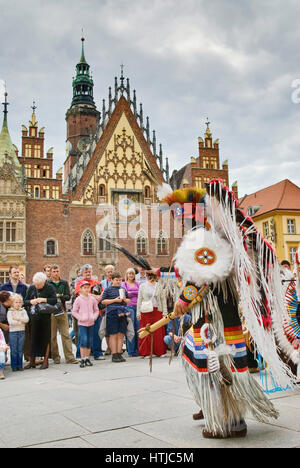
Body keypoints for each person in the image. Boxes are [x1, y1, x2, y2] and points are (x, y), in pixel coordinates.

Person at [24, 272, 57, 370]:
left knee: (45, 338)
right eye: (35, 284)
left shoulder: (49, 287)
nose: (37, 286)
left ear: (44, 282)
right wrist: (31, 301)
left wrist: (44, 299)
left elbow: (54, 300)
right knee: (33, 339)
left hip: (45, 317)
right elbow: (24, 302)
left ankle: (45, 361)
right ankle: (32, 361)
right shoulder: (31, 288)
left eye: (39, 285)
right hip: (33, 317)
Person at [49, 265, 78, 365]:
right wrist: (55, 296)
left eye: (57, 271)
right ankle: (56, 357)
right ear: (51, 273)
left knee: (65, 335)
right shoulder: (48, 283)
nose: (56, 273)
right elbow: (48, 297)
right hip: (51, 311)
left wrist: (59, 295)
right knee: (52, 336)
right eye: (54, 271)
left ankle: (70, 357)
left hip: (62, 311)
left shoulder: (64, 283)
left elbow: (67, 296)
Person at [75, 264, 104, 361]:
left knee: (96, 334)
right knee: (82, 336)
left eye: (89, 271)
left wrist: (100, 297)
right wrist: (94, 296)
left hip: (95, 313)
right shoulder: (80, 282)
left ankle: (98, 353)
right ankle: (80, 355)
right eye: (86, 272)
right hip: (83, 315)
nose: (88, 273)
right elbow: (79, 293)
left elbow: (103, 293)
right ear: (82, 273)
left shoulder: (97, 282)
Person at [101, 271, 131, 363]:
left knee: (121, 333)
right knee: (113, 334)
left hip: (122, 312)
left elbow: (128, 300)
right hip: (112, 312)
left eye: (119, 280)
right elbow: (103, 301)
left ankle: (119, 353)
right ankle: (114, 354)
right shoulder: (108, 289)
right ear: (112, 280)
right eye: (116, 280)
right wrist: (114, 300)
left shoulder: (123, 289)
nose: (118, 282)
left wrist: (125, 300)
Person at [137, 272, 167, 358]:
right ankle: (146, 352)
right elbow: (139, 299)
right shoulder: (142, 286)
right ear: (146, 276)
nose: (150, 277)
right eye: (148, 275)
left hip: (157, 310)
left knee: (158, 331)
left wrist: (164, 313)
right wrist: (138, 312)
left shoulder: (159, 285)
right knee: (146, 330)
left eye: (151, 276)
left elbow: (163, 299)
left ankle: (159, 351)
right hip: (146, 311)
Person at [72, 281, 99, 368]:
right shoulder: (78, 299)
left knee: (89, 340)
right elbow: (74, 311)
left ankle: (87, 357)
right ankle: (82, 358)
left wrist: (94, 317)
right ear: (81, 289)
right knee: (83, 340)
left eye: (88, 287)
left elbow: (96, 310)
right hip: (82, 324)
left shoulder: (92, 299)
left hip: (91, 323)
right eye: (84, 288)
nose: (86, 289)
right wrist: (80, 318)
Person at [7, 294, 29, 371]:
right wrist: (21, 321)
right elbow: (11, 322)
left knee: (20, 349)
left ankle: (20, 365)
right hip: (13, 332)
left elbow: (26, 320)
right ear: (12, 303)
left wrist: (18, 318)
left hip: (22, 332)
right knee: (14, 350)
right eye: (16, 302)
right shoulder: (10, 312)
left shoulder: (23, 310)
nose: (18, 304)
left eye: (20, 302)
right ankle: (14, 366)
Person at [121, 268, 140, 357]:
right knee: (130, 329)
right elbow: (124, 295)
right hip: (129, 308)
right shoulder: (123, 284)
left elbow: (139, 294)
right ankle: (131, 350)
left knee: (138, 329)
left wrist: (130, 292)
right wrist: (134, 293)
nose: (131, 275)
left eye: (132, 274)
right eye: (129, 274)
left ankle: (138, 349)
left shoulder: (137, 284)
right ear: (127, 275)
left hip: (138, 307)